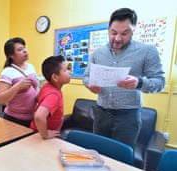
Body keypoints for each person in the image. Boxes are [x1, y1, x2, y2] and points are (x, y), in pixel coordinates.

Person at [82, 8, 165, 149]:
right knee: (97, 153)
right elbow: (86, 76)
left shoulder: (147, 51)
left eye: (124, 33)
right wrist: (90, 84)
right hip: (101, 113)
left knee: (122, 158)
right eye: (113, 33)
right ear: (108, 29)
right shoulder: (98, 53)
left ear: (133, 30)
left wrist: (139, 82)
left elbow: (160, 82)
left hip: (128, 117)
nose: (118, 38)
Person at [0, 37, 39, 127]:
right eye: (20, 49)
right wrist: (17, 87)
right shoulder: (7, 71)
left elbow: (36, 87)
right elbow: (0, 99)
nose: (25, 51)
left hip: (32, 117)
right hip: (14, 119)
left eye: (24, 48)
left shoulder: (31, 67)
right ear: (11, 55)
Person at [30, 55, 71, 139]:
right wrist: (45, 134)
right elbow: (39, 116)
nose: (69, 72)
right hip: (40, 135)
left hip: (37, 131)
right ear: (55, 77)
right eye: (66, 70)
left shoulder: (47, 86)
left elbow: (37, 98)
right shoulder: (54, 95)